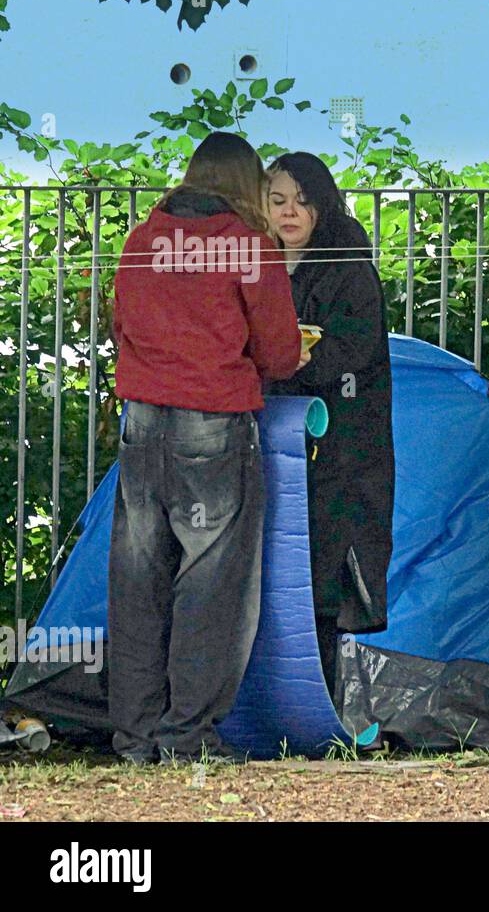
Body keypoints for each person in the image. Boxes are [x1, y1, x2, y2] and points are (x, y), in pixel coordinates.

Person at [109, 131, 301, 763]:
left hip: (142, 422)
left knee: (138, 581)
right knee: (211, 582)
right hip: (213, 424)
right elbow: (278, 352)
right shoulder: (249, 247)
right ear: (244, 183)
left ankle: (133, 738)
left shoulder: (142, 239)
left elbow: (121, 326)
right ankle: (185, 737)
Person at [265, 152, 394, 696]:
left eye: (303, 201)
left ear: (324, 205)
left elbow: (357, 349)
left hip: (340, 448)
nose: (290, 212)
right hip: (274, 442)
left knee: (325, 572)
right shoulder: (260, 262)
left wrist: (299, 360)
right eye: (277, 201)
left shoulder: (348, 266)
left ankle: (320, 699)